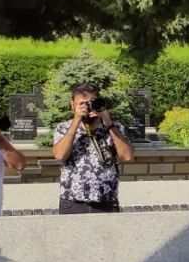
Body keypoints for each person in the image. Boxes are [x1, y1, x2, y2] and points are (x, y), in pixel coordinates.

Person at [50, 83, 135, 213]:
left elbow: (128, 157)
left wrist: (108, 123)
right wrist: (76, 120)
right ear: (72, 105)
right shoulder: (63, 128)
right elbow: (60, 155)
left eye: (91, 103)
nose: (88, 107)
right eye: (82, 104)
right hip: (73, 201)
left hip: (106, 201)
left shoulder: (114, 128)